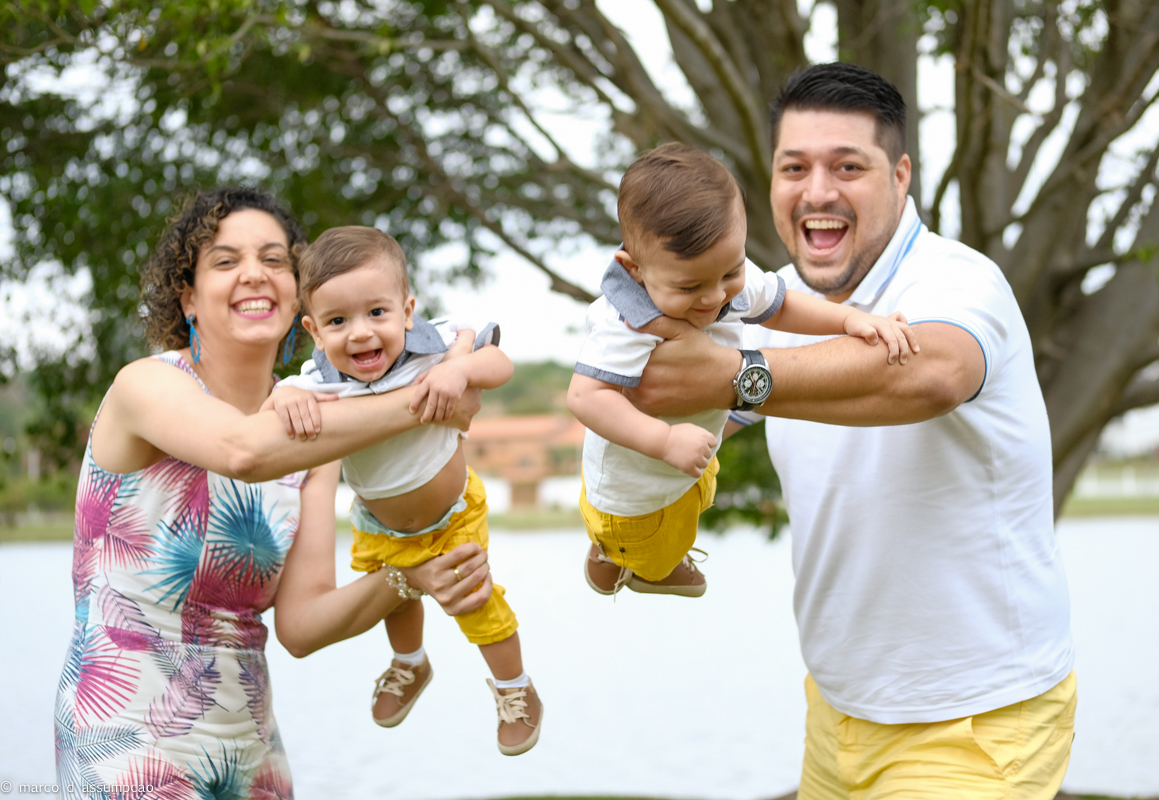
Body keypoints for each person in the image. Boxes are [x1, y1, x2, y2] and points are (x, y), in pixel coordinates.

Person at [628, 64, 1076, 798]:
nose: (818, 192)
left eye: (848, 167)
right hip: (837, 713)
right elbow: (678, 409)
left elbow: (929, 374)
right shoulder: (769, 301)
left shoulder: (959, 281)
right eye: (794, 167)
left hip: (978, 718)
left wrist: (735, 376)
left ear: (901, 176)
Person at [55, 187, 494, 799]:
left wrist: (411, 575)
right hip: (127, 739)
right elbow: (243, 451)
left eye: (274, 259)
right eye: (226, 261)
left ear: (298, 300)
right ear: (187, 296)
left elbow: (303, 626)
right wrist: (432, 395)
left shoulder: (318, 436)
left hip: (251, 747)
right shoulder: (146, 386)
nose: (254, 275)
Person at [568, 142, 915, 598]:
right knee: (655, 542)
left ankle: (625, 553)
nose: (715, 297)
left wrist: (849, 319)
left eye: (730, 273)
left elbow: (780, 303)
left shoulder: (717, 268)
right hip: (636, 494)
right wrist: (664, 440)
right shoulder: (624, 325)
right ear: (634, 271)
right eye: (690, 286)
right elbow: (584, 396)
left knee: (699, 496)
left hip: (685, 463)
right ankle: (628, 560)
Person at [270, 226, 543, 755]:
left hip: (452, 515)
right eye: (337, 321)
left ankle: (516, 689)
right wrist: (284, 401)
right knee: (393, 597)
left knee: (474, 601)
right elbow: (272, 410)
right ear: (313, 330)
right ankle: (411, 664)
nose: (361, 334)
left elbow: (500, 364)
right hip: (377, 523)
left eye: (377, 313)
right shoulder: (316, 380)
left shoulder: (436, 347)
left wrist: (460, 370)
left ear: (407, 310)